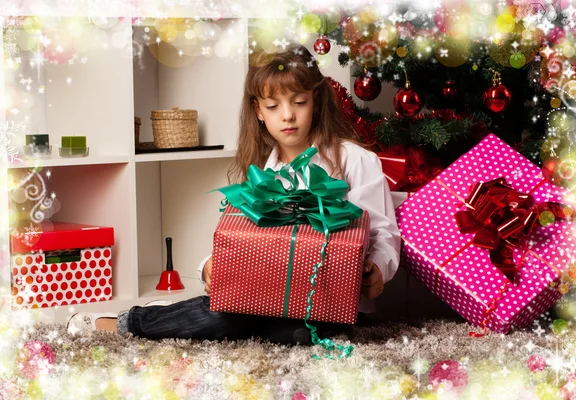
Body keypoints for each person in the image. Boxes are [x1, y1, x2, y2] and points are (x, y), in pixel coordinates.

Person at [68, 44, 401, 345]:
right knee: (228, 314)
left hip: (325, 303)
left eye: (299, 102)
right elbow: (237, 236)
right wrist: (209, 267)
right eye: (273, 106)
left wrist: (376, 268)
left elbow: (383, 233)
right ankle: (128, 322)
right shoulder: (260, 171)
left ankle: (185, 316)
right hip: (260, 296)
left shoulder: (355, 160)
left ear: (316, 101)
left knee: (289, 332)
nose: (287, 115)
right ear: (258, 111)